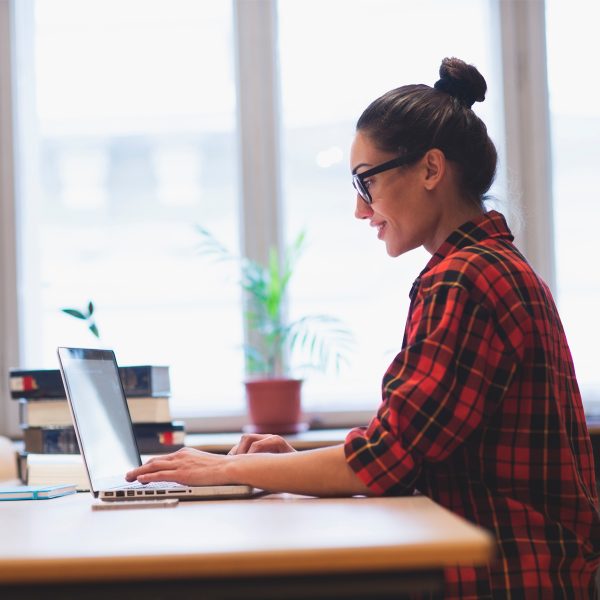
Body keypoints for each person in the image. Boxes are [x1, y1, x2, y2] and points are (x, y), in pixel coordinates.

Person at [127, 57, 600, 598]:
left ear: (430, 169)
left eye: (365, 182)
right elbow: (403, 454)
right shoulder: (487, 266)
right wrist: (292, 468)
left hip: (507, 574)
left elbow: (383, 461)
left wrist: (222, 471)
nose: (360, 209)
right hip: (525, 564)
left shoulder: (463, 280)